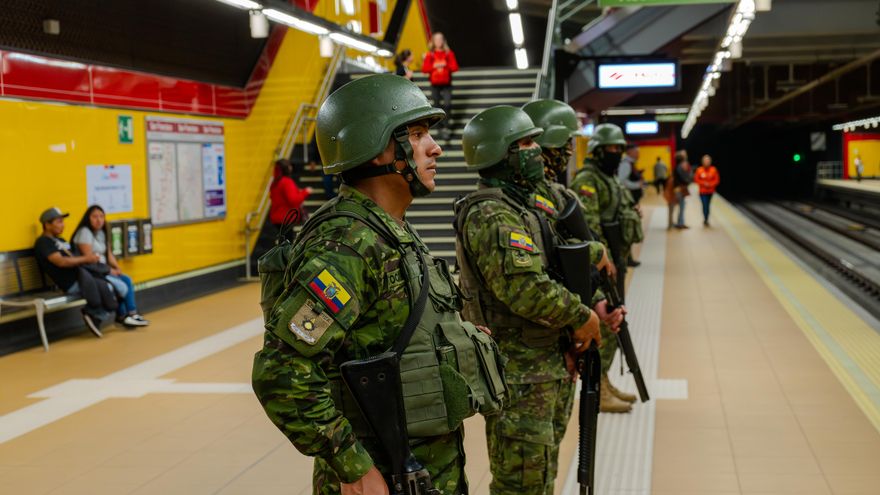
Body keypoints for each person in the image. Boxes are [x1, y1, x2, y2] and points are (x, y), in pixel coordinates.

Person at [252, 74, 506, 495]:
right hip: (385, 476)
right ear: (375, 145)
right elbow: (282, 370)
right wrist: (352, 466)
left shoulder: (391, 231)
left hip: (424, 469)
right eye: (418, 134)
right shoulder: (348, 244)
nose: (435, 147)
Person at [455, 105, 601, 495]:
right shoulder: (490, 214)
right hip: (518, 375)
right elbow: (526, 290)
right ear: (500, 154)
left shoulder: (525, 206)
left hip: (544, 365)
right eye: (525, 142)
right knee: (521, 484)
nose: (537, 149)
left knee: (542, 475)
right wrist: (581, 316)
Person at [570, 123, 644, 413]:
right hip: (599, 267)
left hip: (615, 261)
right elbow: (587, 228)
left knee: (615, 322)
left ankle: (604, 382)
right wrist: (601, 262)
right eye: (612, 149)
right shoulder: (588, 180)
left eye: (620, 149)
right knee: (605, 325)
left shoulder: (609, 178)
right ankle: (597, 388)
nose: (617, 154)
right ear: (598, 151)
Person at [34, 207, 117, 338]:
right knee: (106, 288)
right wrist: (87, 258)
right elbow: (61, 262)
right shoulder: (43, 242)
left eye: (63, 221)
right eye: (59, 222)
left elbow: (73, 257)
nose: (63, 225)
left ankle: (94, 314)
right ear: (47, 224)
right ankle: (93, 313)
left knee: (108, 288)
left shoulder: (61, 241)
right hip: (70, 282)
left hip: (82, 277)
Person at [72, 205, 150, 328]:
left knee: (126, 279)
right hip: (93, 272)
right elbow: (89, 260)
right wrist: (109, 270)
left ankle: (131, 314)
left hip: (104, 269)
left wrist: (117, 267)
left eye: (101, 216)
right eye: (95, 217)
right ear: (88, 218)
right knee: (118, 285)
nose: (99, 220)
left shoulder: (101, 232)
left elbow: (108, 253)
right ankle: (124, 316)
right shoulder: (84, 233)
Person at [422, 32, 458, 141]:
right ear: (433, 41)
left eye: (440, 39)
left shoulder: (448, 53)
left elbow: (455, 67)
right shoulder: (430, 54)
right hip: (435, 84)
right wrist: (434, 66)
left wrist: (445, 64)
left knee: (447, 104)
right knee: (436, 105)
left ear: (443, 41)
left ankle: (446, 127)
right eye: (436, 39)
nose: (438, 41)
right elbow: (424, 69)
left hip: (447, 83)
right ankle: (439, 127)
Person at [269, 158, 312, 228]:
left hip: (276, 217)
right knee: (289, 238)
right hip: (286, 217)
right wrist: (306, 192)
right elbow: (293, 200)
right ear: (287, 168)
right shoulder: (286, 182)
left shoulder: (275, 183)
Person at [665, 151, 692, 229]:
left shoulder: (677, 166)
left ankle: (675, 223)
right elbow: (684, 178)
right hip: (680, 189)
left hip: (677, 189)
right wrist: (689, 180)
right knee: (681, 206)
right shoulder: (681, 167)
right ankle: (679, 223)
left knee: (677, 206)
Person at [694, 154, 720, 226]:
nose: (707, 162)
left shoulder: (713, 169)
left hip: (710, 191)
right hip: (702, 192)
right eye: (705, 161)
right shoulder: (699, 170)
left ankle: (707, 218)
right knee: (704, 205)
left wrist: (710, 184)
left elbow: (716, 180)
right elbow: (696, 179)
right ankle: (705, 219)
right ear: (702, 162)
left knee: (708, 205)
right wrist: (704, 183)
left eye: (708, 161)